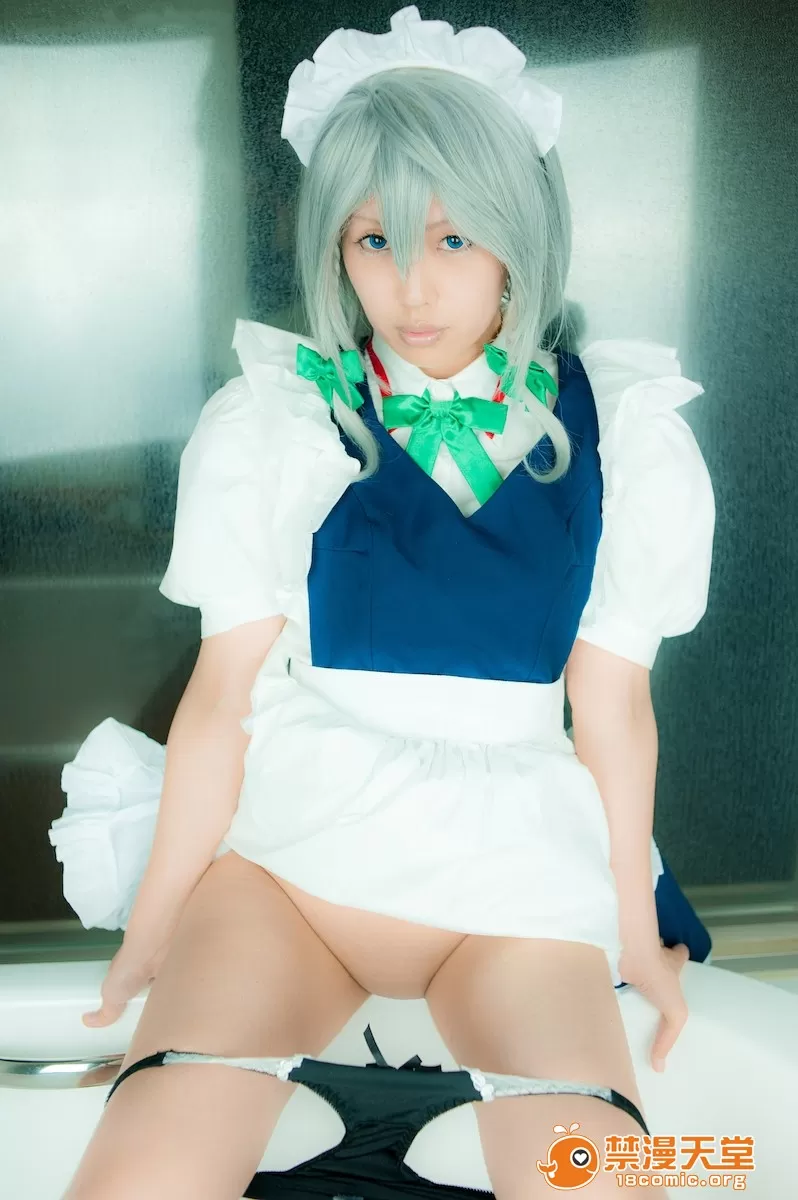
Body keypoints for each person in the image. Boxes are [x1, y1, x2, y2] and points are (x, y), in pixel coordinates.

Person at [53, 7, 716, 1198]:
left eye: (454, 236)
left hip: (515, 888)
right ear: (335, 247)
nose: (411, 284)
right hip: (291, 874)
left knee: (601, 1183)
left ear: (520, 232)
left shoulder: (623, 431)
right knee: (139, 1179)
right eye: (373, 240)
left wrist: (634, 931)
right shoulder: (279, 418)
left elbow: (614, 712)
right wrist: (151, 934)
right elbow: (221, 700)